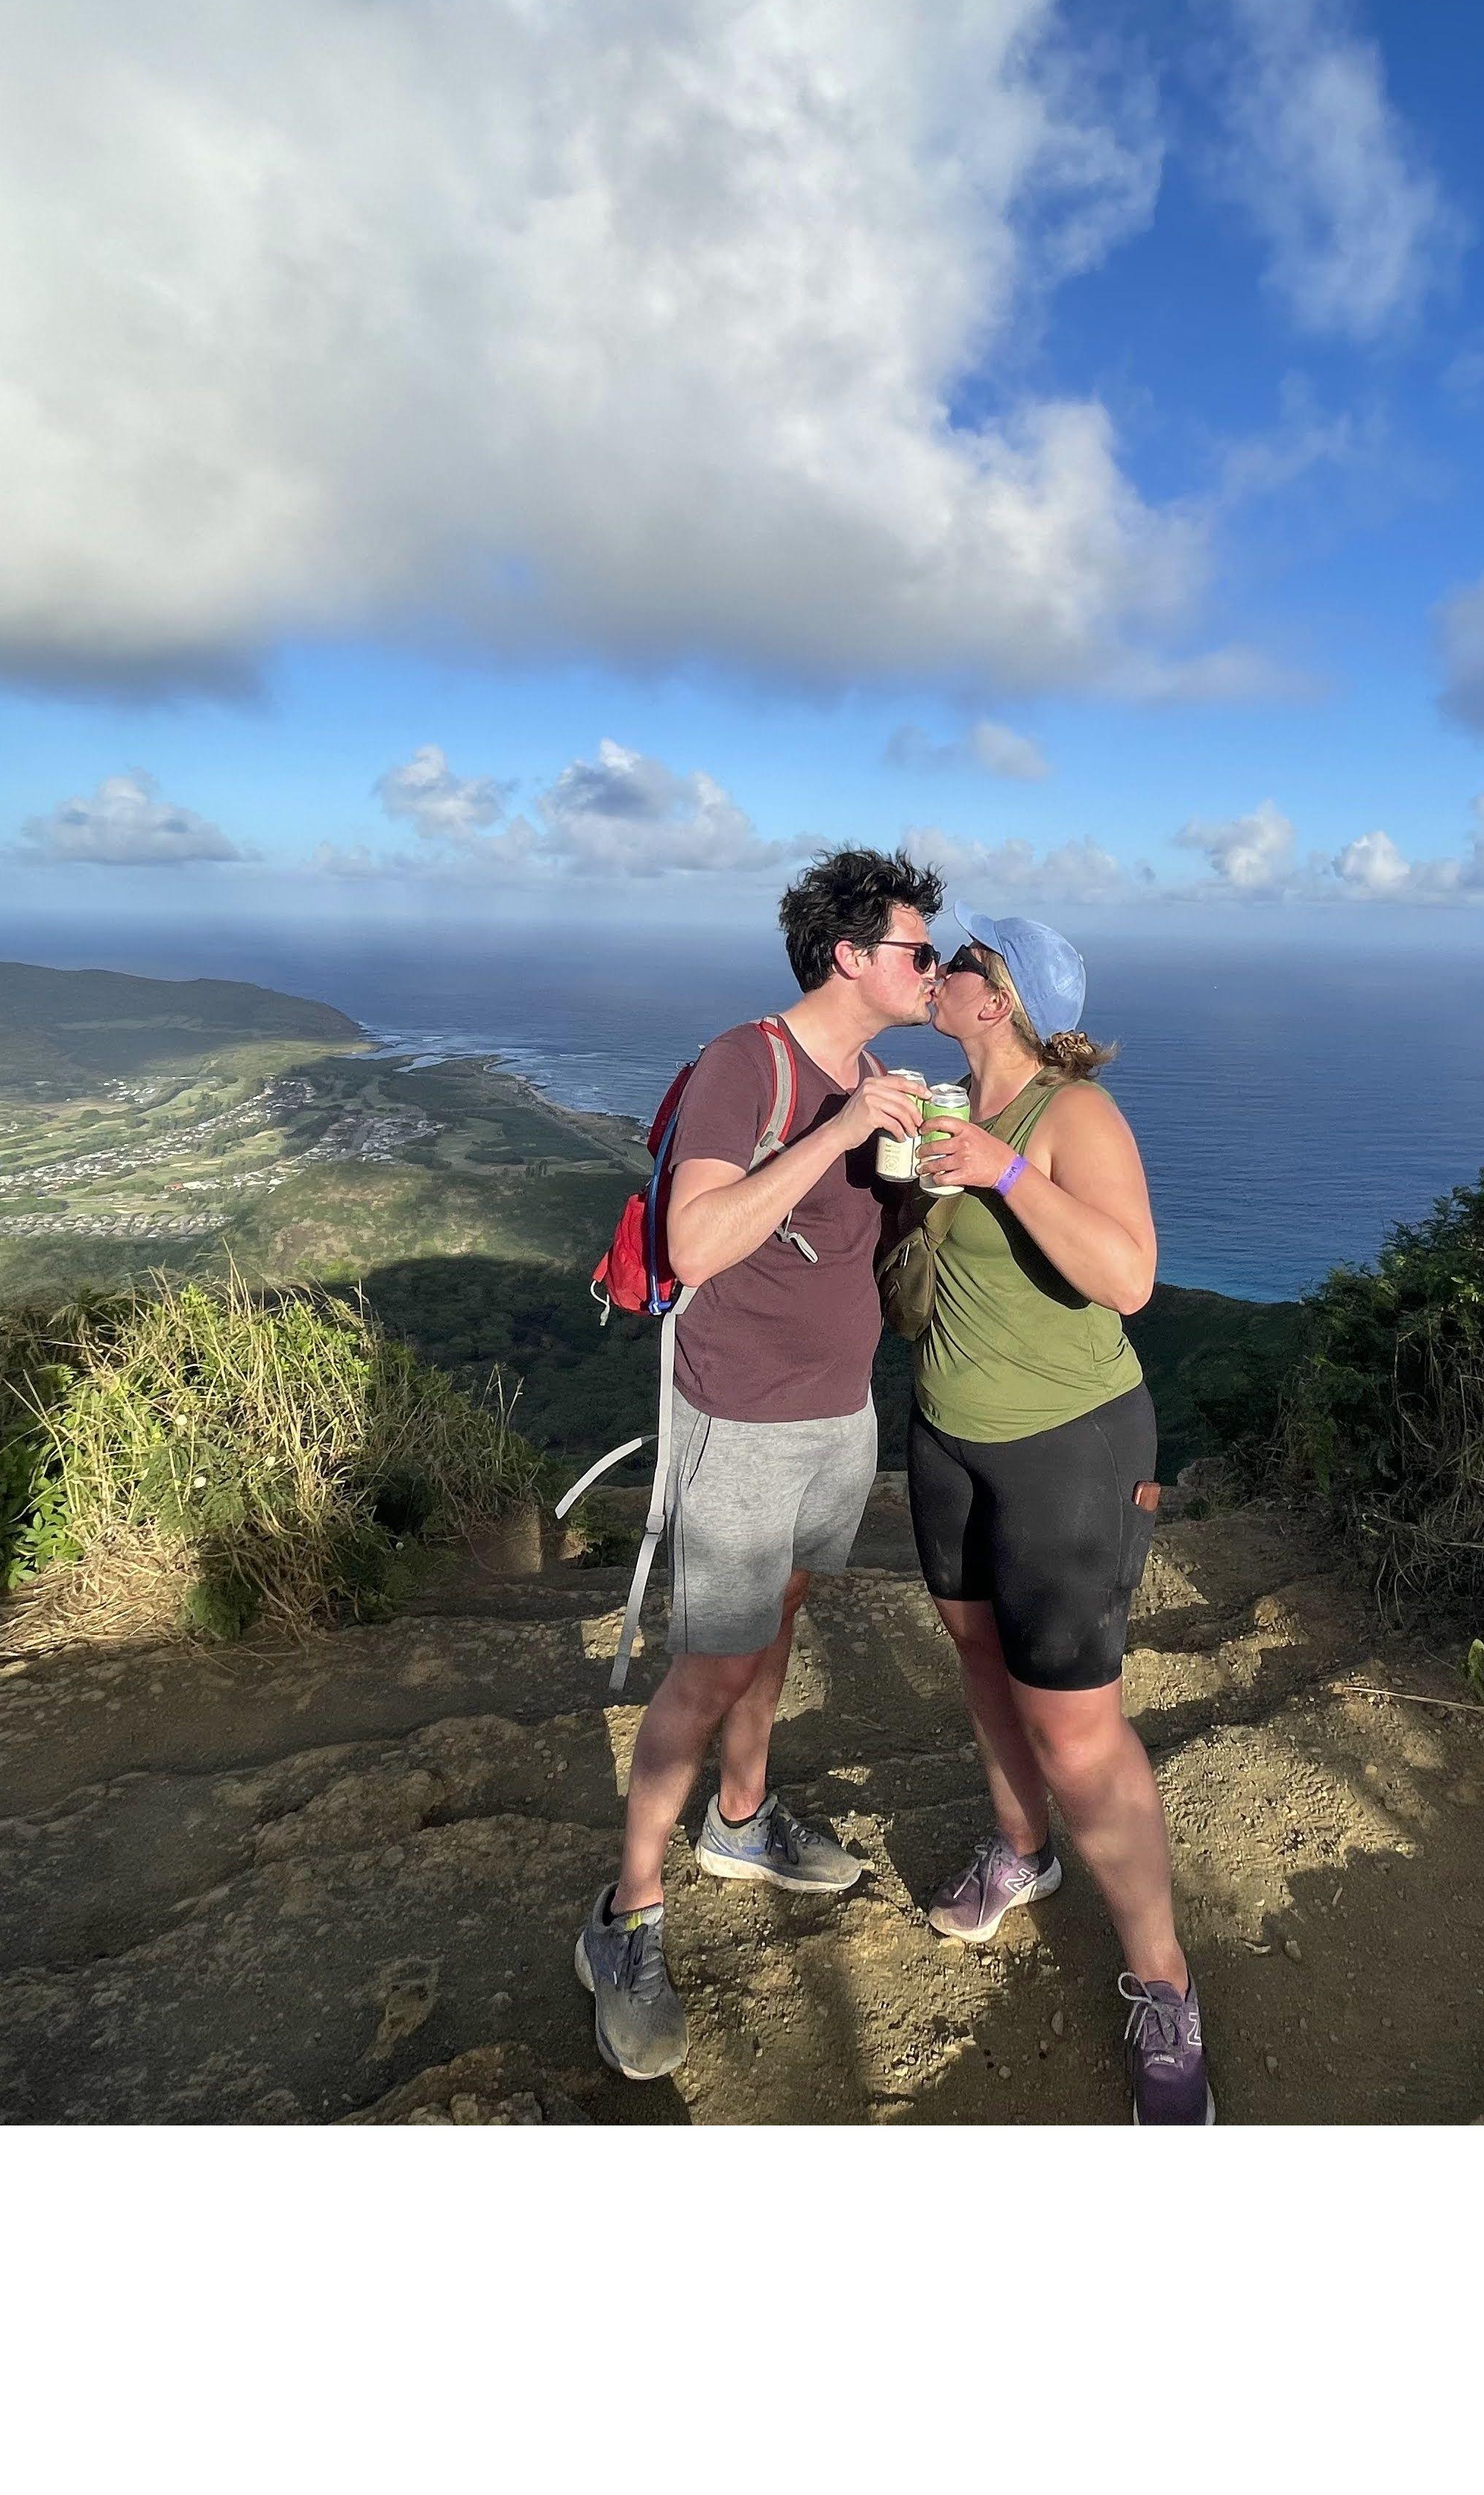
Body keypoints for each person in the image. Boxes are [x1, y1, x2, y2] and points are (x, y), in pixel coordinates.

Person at [573, 846, 941, 2083]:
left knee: (780, 1627)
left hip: (840, 1414)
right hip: (740, 1418)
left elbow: (849, 1246)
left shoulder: (878, 1073)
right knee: (710, 1663)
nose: (931, 970)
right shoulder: (754, 1065)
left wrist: (918, 1175)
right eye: (917, 950)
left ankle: (741, 1823)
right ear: (851, 956)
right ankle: (625, 1916)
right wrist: (838, 1128)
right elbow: (701, 1234)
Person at [904, 912, 1214, 2124]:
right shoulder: (947, 1102)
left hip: (1069, 1452)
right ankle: (1019, 1849)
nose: (938, 975)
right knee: (981, 1661)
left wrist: (1006, 1172)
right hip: (947, 1439)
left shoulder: (1068, 1118)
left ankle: (1164, 1988)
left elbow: (1131, 1276)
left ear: (1004, 1000)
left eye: (961, 964)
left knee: (1082, 1734)